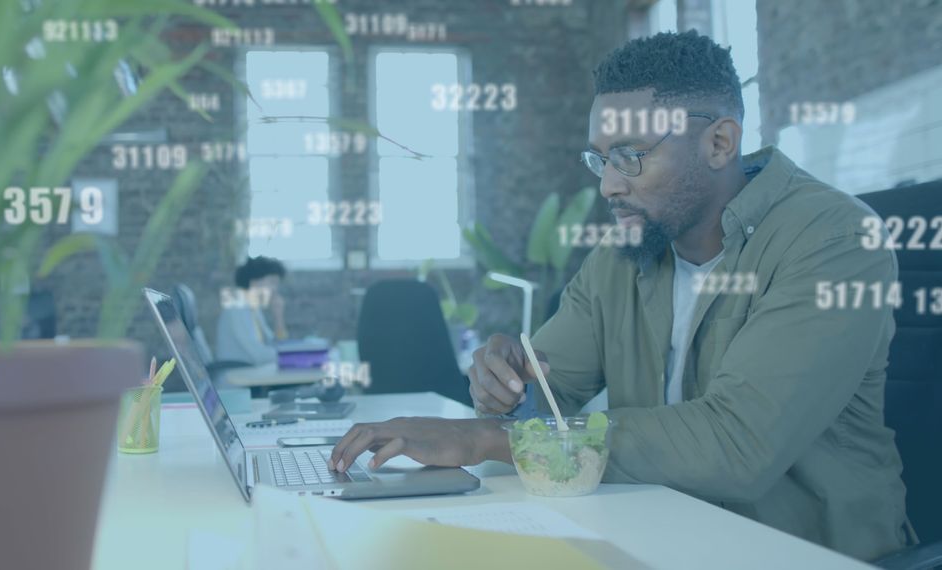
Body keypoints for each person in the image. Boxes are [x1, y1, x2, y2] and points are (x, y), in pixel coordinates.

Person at [327, 31, 916, 561]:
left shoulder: (833, 238)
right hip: (652, 536)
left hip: (798, 553)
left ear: (719, 142)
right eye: (600, 158)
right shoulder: (628, 250)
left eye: (631, 156)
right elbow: (547, 397)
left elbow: (738, 443)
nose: (609, 184)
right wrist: (506, 387)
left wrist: (486, 437)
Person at [215, 256, 288, 366]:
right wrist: (288, 355)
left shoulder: (252, 307)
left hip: (249, 373)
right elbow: (258, 355)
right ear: (254, 282)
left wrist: (278, 317)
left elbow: (274, 344)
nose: (275, 289)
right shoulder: (236, 306)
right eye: (272, 282)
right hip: (236, 376)